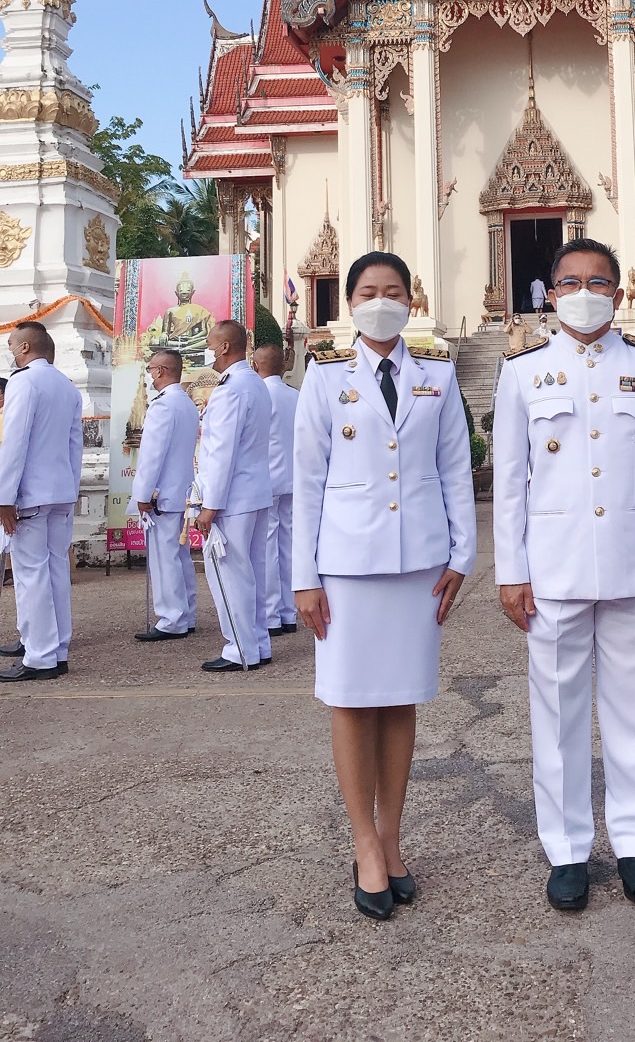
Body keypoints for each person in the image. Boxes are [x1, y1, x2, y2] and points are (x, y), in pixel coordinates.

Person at [493, 238, 635, 913]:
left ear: (618, 291)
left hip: (634, 564)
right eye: (570, 281)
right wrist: (510, 572)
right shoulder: (522, 372)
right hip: (552, 570)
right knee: (557, 716)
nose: (585, 291)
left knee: (634, 715)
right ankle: (568, 849)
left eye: (598, 281)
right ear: (549, 293)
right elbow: (512, 483)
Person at [293, 251, 475, 919]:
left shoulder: (436, 371)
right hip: (345, 565)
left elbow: (454, 465)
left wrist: (462, 553)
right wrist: (303, 577)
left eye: (393, 290)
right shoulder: (324, 376)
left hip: (418, 562)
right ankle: (363, 841)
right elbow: (305, 482)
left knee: (401, 702)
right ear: (348, 303)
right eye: (368, 291)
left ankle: (393, 836)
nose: (381, 300)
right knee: (350, 702)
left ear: (410, 299)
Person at [0, 322, 82, 682]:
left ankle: (40, 657)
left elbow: (13, 443)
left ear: (26, 347)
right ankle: (57, 648)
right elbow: (74, 446)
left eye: (12, 344)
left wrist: (4, 497)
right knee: (55, 571)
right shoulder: (67, 386)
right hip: (61, 491)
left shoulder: (23, 381)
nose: (10, 350)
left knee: (31, 575)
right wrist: (71, 488)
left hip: (30, 493)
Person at [195, 320, 274, 672]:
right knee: (251, 572)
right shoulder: (254, 384)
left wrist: (209, 506)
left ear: (225, 347)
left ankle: (240, 648)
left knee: (230, 574)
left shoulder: (230, 389)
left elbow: (221, 453)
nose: (208, 349)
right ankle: (257, 642)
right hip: (253, 492)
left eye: (211, 343)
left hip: (231, 498)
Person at [131, 349, 201, 641]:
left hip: (163, 495)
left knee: (165, 558)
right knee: (179, 556)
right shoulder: (184, 402)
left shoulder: (162, 406)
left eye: (151, 369)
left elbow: (151, 456)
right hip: (180, 490)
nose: (149, 375)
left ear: (160, 371)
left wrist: (142, 495)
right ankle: (186, 613)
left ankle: (172, 618)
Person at [252, 344, 299, 638]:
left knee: (267, 549)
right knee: (288, 546)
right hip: (293, 477)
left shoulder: (259, 396)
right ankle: (289, 611)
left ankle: (270, 615)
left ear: (256, 366)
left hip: (267, 479)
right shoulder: (296, 395)